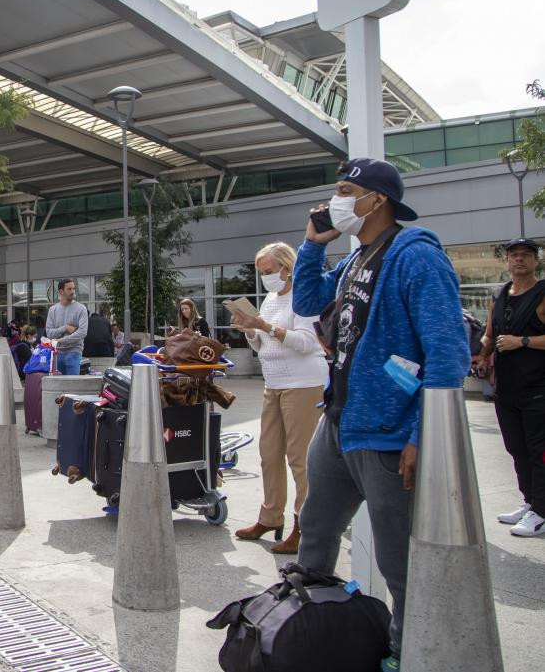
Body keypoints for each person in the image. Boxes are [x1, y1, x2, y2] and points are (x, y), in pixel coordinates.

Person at [292, 158, 470, 668]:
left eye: (346, 190)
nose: (336, 201)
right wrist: (312, 242)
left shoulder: (416, 257)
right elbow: (307, 300)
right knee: (317, 527)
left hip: (389, 430)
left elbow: (448, 352)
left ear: (377, 199)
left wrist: (421, 433)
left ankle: (407, 651)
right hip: (341, 419)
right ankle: (309, 623)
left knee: (399, 558)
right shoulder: (357, 259)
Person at [229, 242, 326, 554]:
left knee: (300, 458)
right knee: (269, 453)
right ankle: (271, 516)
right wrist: (250, 330)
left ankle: (305, 525)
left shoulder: (305, 297)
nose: (265, 278)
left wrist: (265, 326)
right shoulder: (271, 298)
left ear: (286, 267)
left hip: (303, 384)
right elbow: (262, 347)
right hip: (274, 383)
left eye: (269, 271)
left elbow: (309, 344)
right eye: (261, 273)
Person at [473, 237, 545, 537]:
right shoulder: (499, 295)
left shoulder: (543, 293)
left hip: (539, 388)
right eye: (514, 255)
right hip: (507, 389)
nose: (519, 260)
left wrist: (523, 341)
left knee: (540, 451)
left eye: (526, 255)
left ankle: (541, 512)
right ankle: (530, 502)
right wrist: (481, 355)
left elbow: (520, 339)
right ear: (506, 262)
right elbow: (489, 335)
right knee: (516, 450)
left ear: (535, 261)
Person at [45, 278, 88, 375]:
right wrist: (65, 328)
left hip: (74, 352)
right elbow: (49, 333)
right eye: (69, 289)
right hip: (57, 354)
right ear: (61, 291)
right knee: (60, 388)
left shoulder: (81, 309)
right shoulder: (53, 310)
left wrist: (60, 340)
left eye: (73, 289)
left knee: (72, 387)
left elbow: (82, 332)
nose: (73, 291)